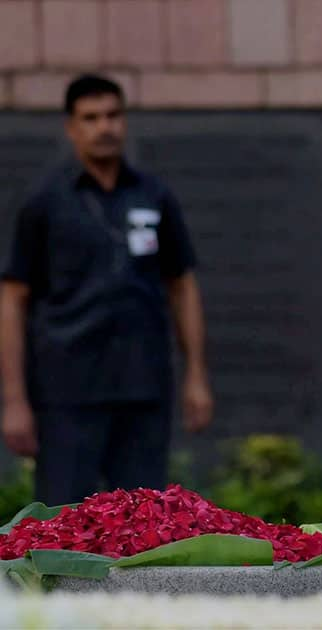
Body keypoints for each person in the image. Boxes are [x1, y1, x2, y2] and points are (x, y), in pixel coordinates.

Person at [0, 74, 213, 505]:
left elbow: (182, 284)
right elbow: (13, 298)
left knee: (144, 522)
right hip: (66, 389)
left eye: (113, 115)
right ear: (71, 127)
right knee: (62, 524)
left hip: (143, 384)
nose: (105, 127)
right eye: (91, 117)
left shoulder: (153, 195)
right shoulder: (44, 201)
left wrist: (196, 375)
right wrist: (15, 399)